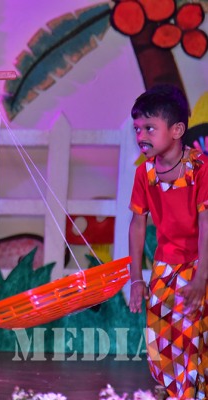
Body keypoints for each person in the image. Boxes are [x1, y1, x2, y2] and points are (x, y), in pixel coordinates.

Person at [128, 84, 208, 399]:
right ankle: (172, 391)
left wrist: (201, 277)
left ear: (176, 130)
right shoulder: (145, 173)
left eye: (149, 128)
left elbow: (206, 223)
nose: (141, 136)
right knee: (160, 339)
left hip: (198, 265)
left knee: (192, 339)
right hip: (164, 268)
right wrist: (137, 278)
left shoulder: (200, 169)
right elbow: (137, 224)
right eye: (137, 129)